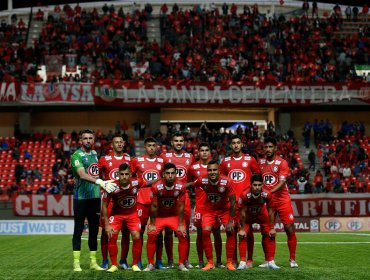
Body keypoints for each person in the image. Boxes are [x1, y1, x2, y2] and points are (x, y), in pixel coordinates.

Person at [70, 129, 117, 272]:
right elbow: (82, 175)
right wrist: (100, 182)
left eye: (91, 138)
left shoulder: (96, 154)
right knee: (78, 230)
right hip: (81, 198)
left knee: (94, 230)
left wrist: (106, 180)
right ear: (80, 141)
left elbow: (98, 171)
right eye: (85, 138)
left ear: (94, 140)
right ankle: (76, 262)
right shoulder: (76, 156)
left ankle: (93, 262)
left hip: (95, 198)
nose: (88, 140)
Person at [220, 134, 260, 269]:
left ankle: (249, 259)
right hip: (231, 203)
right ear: (231, 145)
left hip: (246, 202)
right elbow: (222, 180)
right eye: (233, 143)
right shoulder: (225, 162)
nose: (236, 145)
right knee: (232, 231)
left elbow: (257, 178)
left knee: (248, 231)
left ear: (242, 145)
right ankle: (234, 259)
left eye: (238, 143)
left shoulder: (250, 160)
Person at [259, 136, 298, 268]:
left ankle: (292, 259)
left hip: (282, 200)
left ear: (275, 148)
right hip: (268, 201)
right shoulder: (260, 163)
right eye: (266, 147)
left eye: (270, 147)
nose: (268, 149)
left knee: (289, 228)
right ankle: (268, 260)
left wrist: (269, 192)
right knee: (267, 231)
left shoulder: (282, 163)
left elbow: (282, 183)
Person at [192, 160, 236, 271]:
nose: (212, 172)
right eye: (210, 170)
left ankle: (229, 262)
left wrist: (231, 220)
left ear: (219, 171)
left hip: (224, 210)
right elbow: (191, 184)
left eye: (214, 170)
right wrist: (177, 184)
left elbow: (233, 202)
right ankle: (210, 262)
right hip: (210, 210)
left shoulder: (227, 181)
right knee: (205, 232)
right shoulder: (202, 179)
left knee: (230, 231)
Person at [143, 163, 188, 272]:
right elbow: (153, 206)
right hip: (159, 216)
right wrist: (152, 224)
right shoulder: (156, 186)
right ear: (163, 174)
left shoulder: (181, 186)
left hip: (174, 216)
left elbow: (182, 206)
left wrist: (181, 224)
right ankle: (150, 264)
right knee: (152, 234)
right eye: (167, 173)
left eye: (173, 173)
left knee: (182, 234)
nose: (170, 175)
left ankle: (181, 264)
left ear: (176, 174)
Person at [98, 136, 132, 269]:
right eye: (116, 142)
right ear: (112, 145)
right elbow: (96, 177)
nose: (119, 144)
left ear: (124, 144)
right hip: (109, 200)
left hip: (124, 200)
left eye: (121, 142)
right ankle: (105, 260)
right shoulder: (104, 159)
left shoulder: (129, 159)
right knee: (106, 232)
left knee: (126, 231)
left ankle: (123, 260)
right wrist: (103, 186)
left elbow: (134, 177)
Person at [102, 163, 144, 273]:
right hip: (117, 215)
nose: (124, 176)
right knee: (112, 235)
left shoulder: (136, 182)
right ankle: (114, 264)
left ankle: (135, 264)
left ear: (130, 174)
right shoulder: (112, 186)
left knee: (136, 236)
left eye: (126, 174)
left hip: (132, 214)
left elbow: (147, 183)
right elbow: (104, 206)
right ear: (118, 174)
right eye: (122, 174)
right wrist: (106, 224)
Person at [161, 132, 194, 268]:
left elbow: (192, 178)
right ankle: (170, 260)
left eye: (181, 141)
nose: (179, 143)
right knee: (168, 231)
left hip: (183, 197)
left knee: (184, 230)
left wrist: (182, 186)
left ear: (184, 142)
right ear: (172, 143)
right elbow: (160, 176)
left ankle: (185, 260)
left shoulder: (190, 157)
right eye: (176, 141)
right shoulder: (165, 157)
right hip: (168, 197)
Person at [188, 143, 223, 268]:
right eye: (201, 150)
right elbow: (189, 182)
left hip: (215, 205)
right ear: (198, 152)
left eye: (206, 150)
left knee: (217, 232)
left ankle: (219, 261)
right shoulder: (193, 167)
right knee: (200, 233)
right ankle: (201, 261)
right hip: (200, 206)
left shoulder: (215, 166)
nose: (204, 152)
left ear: (209, 152)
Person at [131, 137, 164, 269]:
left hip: (157, 202)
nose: (151, 147)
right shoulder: (137, 161)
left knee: (158, 232)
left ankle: (159, 260)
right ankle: (137, 260)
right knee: (139, 232)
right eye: (149, 145)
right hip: (141, 202)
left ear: (157, 147)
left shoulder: (162, 161)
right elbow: (131, 178)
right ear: (144, 147)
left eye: (153, 145)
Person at [238, 174, 279, 269]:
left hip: (261, 214)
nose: (257, 187)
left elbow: (271, 211)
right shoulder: (245, 194)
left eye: (259, 185)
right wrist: (242, 229)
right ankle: (243, 262)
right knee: (242, 235)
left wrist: (272, 228)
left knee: (270, 234)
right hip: (248, 216)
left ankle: (270, 261)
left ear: (262, 185)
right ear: (250, 185)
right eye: (255, 185)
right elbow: (242, 213)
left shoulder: (267, 194)